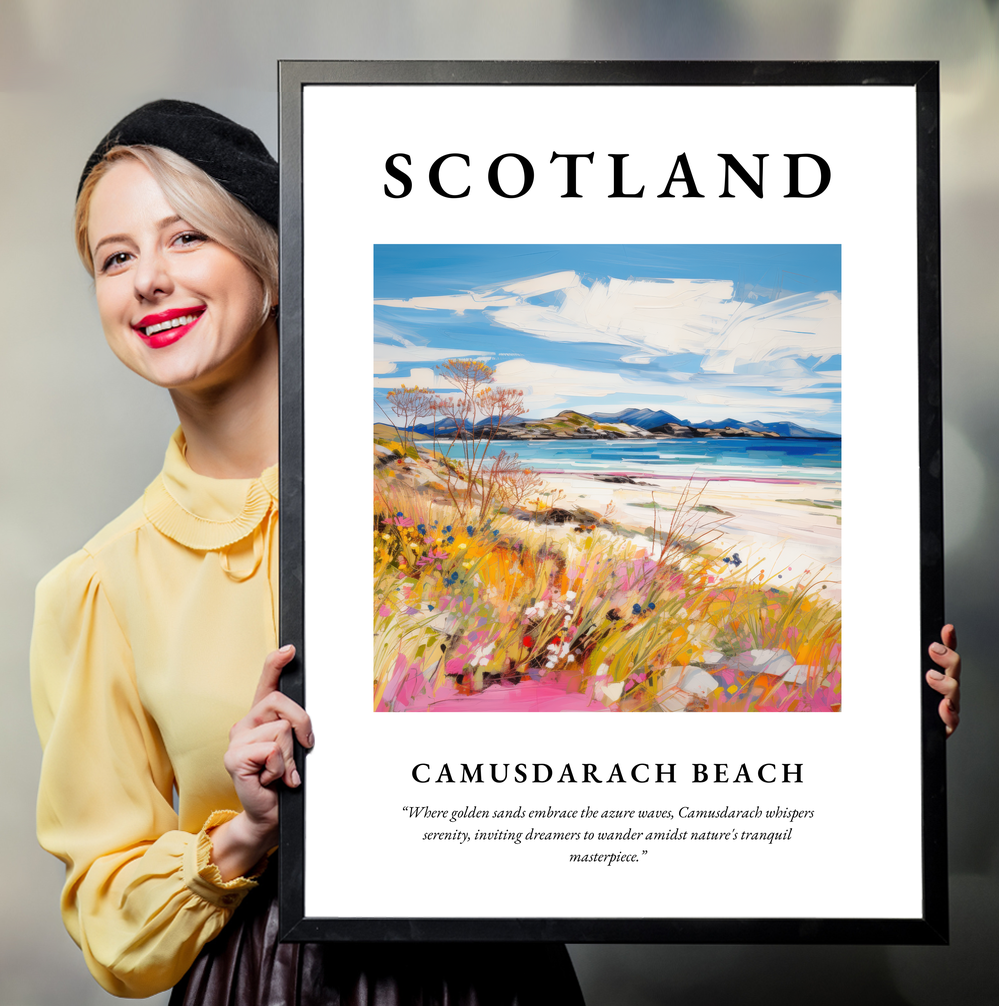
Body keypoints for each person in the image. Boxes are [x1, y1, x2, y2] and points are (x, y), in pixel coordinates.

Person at [30, 100, 586, 1004]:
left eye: (185, 238)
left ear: (273, 263)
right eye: (116, 257)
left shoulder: (441, 510)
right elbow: (110, 923)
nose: (148, 281)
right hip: (262, 981)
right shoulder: (97, 587)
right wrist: (245, 832)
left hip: (492, 974)